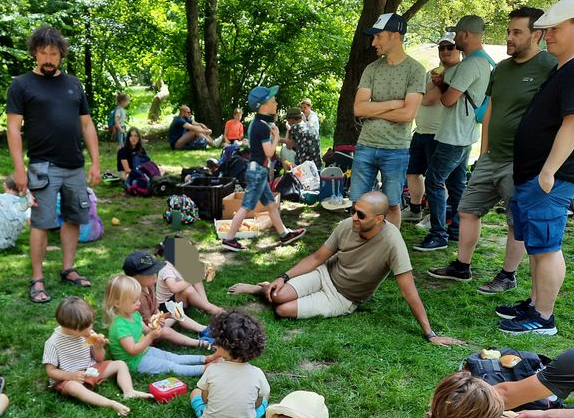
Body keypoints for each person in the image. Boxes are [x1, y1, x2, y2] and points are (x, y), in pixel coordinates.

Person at [428, 8, 557, 294]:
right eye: (509, 31)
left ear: (537, 35)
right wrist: (483, 151)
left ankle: (507, 275)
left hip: (523, 161)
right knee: (467, 210)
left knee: (516, 222)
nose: (509, 37)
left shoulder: (550, 66)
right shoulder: (501, 68)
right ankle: (462, 267)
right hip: (490, 157)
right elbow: (490, 110)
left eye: (517, 32)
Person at [229, 192, 462, 346]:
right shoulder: (346, 226)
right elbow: (318, 257)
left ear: (380, 219)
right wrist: (284, 276)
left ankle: (266, 289)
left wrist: (430, 334)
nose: (354, 217)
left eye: (361, 214)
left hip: (343, 297)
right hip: (324, 273)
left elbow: (408, 291)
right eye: (353, 210)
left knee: (281, 310)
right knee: (277, 295)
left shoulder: (393, 242)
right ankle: (261, 288)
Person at [497, 0, 574, 335]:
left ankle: (543, 318)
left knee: (547, 247)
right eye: (544, 31)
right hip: (535, 175)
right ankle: (534, 302)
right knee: (536, 244)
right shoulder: (565, 66)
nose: (546, 37)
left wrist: (547, 172)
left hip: (551, 178)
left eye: (554, 30)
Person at [6, 25, 101, 303]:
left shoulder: (73, 84)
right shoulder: (21, 84)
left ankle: (67, 268)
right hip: (41, 166)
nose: (48, 59)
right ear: (35, 52)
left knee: (74, 218)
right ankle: (37, 279)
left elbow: (87, 124)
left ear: (61, 55)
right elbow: (13, 129)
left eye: (54, 54)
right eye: (43, 53)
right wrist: (19, 168)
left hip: (74, 165)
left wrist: (95, 162)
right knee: (41, 223)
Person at [414, 15, 493, 251]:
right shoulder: (483, 62)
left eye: (457, 34)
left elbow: (448, 101)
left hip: (453, 136)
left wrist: (441, 87)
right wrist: (443, 84)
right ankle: (456, 229)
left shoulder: (469, 65)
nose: (455, 38)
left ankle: (438, 233)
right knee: (457, 184)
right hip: (466, 134)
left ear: (466, 35)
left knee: (434, 180)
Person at [351, 13, 426, 227]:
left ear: (395, 35)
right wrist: (394, 103)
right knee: (358, 202)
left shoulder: (415, 70)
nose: (374, 42)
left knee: (393, 204)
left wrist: (371, 109)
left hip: (396, 149)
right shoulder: (372, 69)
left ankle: (388, 250)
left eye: (378, 36)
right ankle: (359, 249)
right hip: (366, 145)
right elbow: (358, 108)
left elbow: (407, 115)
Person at [221, 86, 306, 252]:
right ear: (263, 105)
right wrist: (276, 137)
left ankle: (284, 234)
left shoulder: (258, 123)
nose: (276, 103)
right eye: (273, 101)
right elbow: (269, 152)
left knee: (271, 205)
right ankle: (229, 239)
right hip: (258, 172)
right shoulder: (262, 126)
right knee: (246, 206)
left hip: (257, 170)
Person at [44, 296, 151, 415]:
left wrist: (98, 347)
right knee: (72, 387)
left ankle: (129, 391)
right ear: (68, 328)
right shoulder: (53, 343)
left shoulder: (87, 332)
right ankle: (110, 403)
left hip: (91, 369)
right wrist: (71, 376)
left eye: (91, 324)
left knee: (120, 364)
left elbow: (99, 359)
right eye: (85, 327)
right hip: (69, 377)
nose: (90, 329)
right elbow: (51, 371)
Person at [105, 275, 219, 377]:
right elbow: (133, 350)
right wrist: (151, 337)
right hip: (134, 362)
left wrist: (162, 320)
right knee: (170, 366)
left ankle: (206, 359)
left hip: (144, 351)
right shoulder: (120, 326)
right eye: (134, 301)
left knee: (173, 357)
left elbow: (146, 330)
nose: (139, 303)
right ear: (118, 303)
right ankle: (204, 369)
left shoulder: (133, 313)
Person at [402, 32, 462, 223]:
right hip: (420, 131)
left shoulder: (456, 73)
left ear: (458, 49)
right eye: (441, 47)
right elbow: (415, 92)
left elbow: (428, 99)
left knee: (436, 179)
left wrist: (413, 98)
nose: (445, 51)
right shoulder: (433, 72)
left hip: (439, 134)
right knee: (412, 172)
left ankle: (436, 215)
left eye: (449, 47)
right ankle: (415, 208)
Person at [190, 310, 270, 418]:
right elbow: (257, 404)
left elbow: (205, 400)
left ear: (227, 347)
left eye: (217, 341)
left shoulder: (212, 370)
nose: (215, 344)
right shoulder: (258, 374)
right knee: (265, 395)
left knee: (195, 392)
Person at [122, 250, 213, 350]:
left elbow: (155, 310)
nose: (154, 276)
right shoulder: (138, 297)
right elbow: (148, 326)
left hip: (155, 323)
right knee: (165, 331)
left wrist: (165, 316)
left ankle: (203, 329)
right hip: (146, 336)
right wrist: (162, 319)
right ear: (135, 278)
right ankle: (199, 343)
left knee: (176, 311)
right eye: (149, 274)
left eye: (154, 272)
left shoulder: (149, 286)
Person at [156, 236, 224, 316]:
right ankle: (211, 309)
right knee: (188, 289)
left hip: (178, 299)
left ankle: (205, 304)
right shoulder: (166, 269)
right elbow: (174, 288)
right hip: (167, 306)